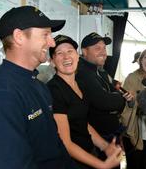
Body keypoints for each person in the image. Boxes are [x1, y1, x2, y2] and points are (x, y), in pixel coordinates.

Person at [0, 6, 72, 168]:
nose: (52, 42)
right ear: (19, 37)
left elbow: (55, 147)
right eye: (45, 35)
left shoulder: (38, 85)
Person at [47, 34, 122, 169]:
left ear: (77, 56)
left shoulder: (80, 84)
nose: (66, 57)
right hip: (69, 161)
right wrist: (101, 165)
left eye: (70, 51)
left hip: (88, 151)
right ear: (52, 61)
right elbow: (65, 143)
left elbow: (82, 122)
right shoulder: (54, 90)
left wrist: (105, 146)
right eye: (59, 53)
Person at [76, 32, 133, 168]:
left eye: (104, 48)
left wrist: (117, 96)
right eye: (97, 48)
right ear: (84, 51)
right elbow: (103, 102)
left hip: (109, 137)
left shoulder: (99, 71)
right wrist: (122, 100)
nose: (103, 52)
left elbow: (114, 89)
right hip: (97, 141)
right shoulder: (83, 72)